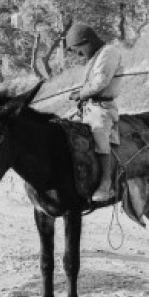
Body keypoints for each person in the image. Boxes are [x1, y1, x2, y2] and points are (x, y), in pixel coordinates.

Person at [64, 22, 123, 202]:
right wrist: (79, 93)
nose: (79, 54)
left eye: (79, 50)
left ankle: (106, 183)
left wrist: (81, 94)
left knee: (99, 133)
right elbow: (90, 84)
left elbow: (101, 82)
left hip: (103, 109)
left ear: (87, 42)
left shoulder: (109, 53)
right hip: (88, 107)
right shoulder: (95, 57)